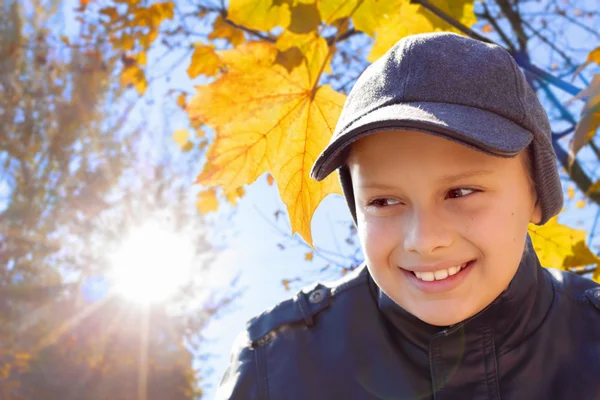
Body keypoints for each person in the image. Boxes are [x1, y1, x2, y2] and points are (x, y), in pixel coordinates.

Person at [215, 32, 600, 400]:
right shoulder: (275, 365)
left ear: (536, 195)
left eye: (461, 192)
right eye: (384, 202)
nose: (423, 239)